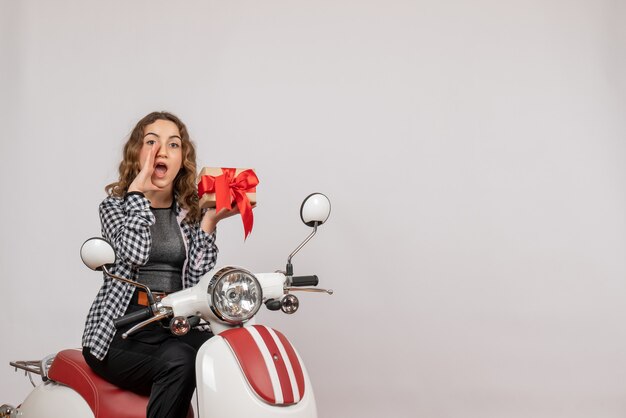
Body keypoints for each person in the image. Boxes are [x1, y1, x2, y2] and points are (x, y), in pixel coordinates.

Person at [81, 111, 236, 418]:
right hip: (122, 332)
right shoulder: (115, 207)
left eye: (173, 144)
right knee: (179, 359)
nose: (162, 151)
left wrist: (209, 221)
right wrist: (138, 193)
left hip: (173, 326)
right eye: (151, 142)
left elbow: (197, 279)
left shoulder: (188, 212)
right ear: (137, 153)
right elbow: (136, 254)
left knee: (226, 350)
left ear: (182, 159)